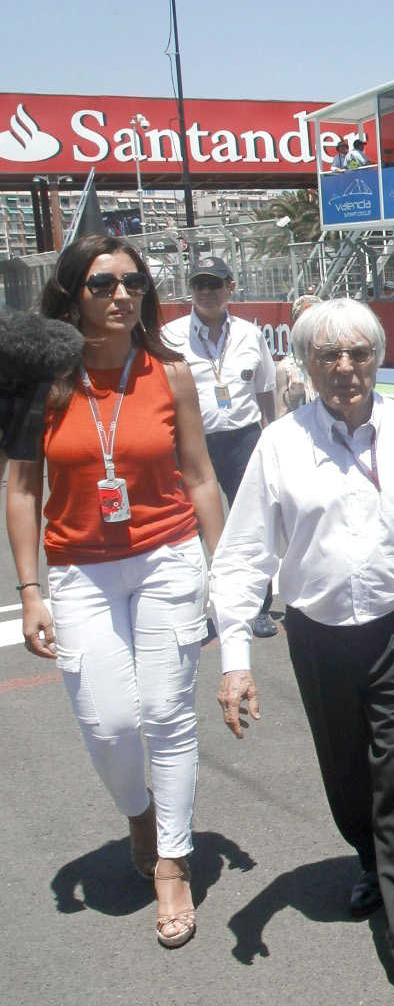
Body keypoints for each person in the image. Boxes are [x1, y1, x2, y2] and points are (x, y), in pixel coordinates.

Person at [209, 298, 394, 1006]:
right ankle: (370, 855)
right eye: (328, 355)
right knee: (346, 773)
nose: (344, 368)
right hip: (318, 634)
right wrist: (236, 658)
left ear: (378, 359)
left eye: (359, 353)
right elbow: (243, 554)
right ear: (304, 363)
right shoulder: (281, 443)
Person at [6, 234, 226, 948]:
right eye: (102, 284)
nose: (121, 295)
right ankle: (140, 811)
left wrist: (226, 571)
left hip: (167, 556)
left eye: (133, 282)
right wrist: (31, 591)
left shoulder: (171, 372)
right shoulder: (40, 380)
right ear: (73, 295)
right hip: (80, 569)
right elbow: (21, 489)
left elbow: (200, 476)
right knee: (108, 722)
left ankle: (173, 860)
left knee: (166, 711)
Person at [161, 255, 278, 638]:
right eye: (200, 284)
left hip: (244, 440)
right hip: (192, 444)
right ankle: (192, 608)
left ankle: (257, 606)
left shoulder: (249, 334)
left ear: (231, 287)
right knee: (189, 528)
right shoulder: (170, 336)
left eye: (215, 284)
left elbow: (265, 389)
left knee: (252, 526)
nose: (207, 292)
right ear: (190, 290)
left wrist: (271, 435)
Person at [275, 294, 320, 414]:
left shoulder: (335, 361)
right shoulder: (286, 368)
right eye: (305, 322)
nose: (312, 327)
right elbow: (280, 419)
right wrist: (294, 399)